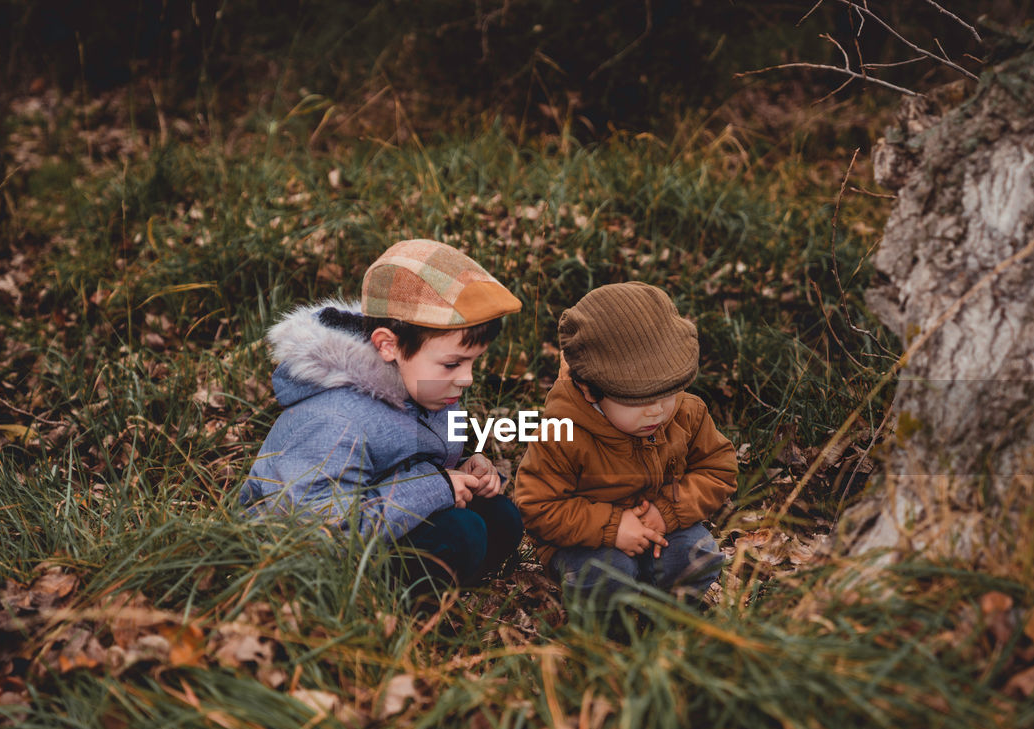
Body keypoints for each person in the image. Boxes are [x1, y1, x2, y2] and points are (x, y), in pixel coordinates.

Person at [240, 238, 524, 592]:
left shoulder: (428, 384)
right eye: (453, 363)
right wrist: (438, 487)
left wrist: (465, 466)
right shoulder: (337, 421)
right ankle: (384, 602)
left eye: (472, 363)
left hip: (396, 507)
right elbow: (319, 529)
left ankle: (455, 585)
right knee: (462, 536)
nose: (466, 378)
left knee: (502, 518)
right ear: (388, 345)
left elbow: (417, 451)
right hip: (313, 549)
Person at [514, 282, 738, 610]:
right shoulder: (562, 432)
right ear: (589, 391)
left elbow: (718, 468)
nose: (657, 410)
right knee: (608, 572)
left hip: (661, 524)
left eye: (667, 394)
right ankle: (606, 632)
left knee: (695, 554)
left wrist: (668, 511)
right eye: (637, 401)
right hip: (585, 541)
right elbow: (537, 506)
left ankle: (670, 619)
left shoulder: (686, 412)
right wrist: (612, 526)